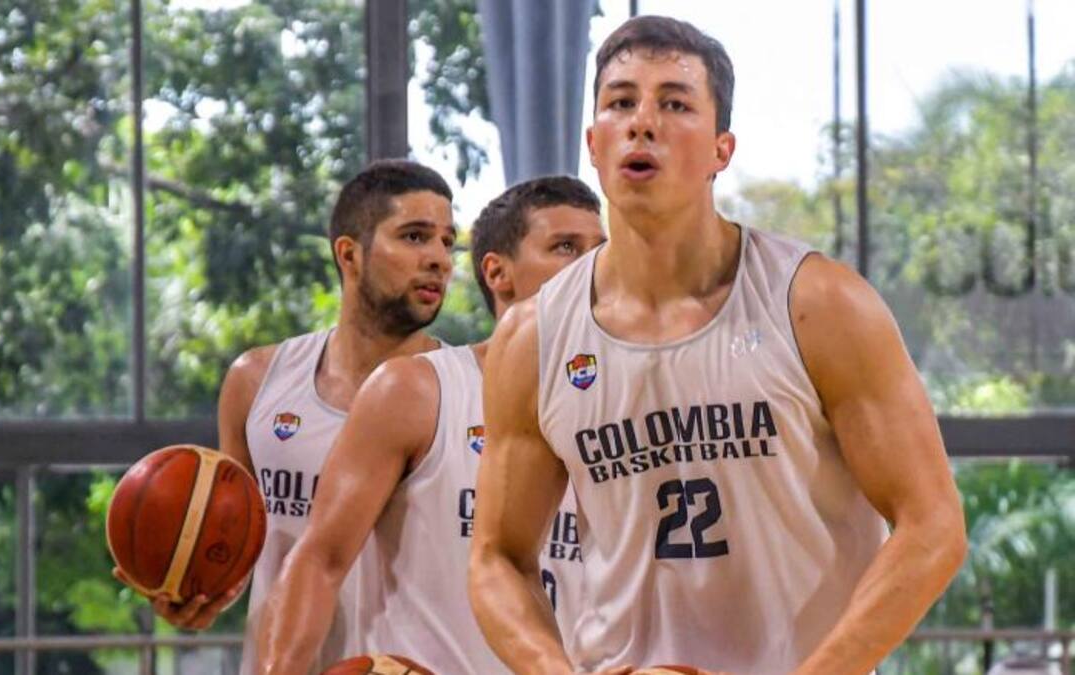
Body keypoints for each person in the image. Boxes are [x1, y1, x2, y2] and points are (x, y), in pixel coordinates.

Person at [467, 16, 967, 675]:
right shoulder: (536, 337)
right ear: (592, 142)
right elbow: (497, 557)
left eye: (675, 104)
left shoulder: (817, 303)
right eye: (621, 102)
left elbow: (932, 525)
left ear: (720, 150)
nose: (642, 123)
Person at [113, 159, 457, 673]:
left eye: (448, 242)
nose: (439, 260)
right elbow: (237, 544)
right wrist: (201, 588)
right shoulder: (257, 382)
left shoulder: (469, 394)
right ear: (349, 253)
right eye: (414, 236)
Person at [255, 176, 607, 675]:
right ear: (497, 272)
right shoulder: (416, 391)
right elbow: (320, 560)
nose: (592, 266)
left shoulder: (629, 408)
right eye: (565, 247)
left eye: (600, 250)